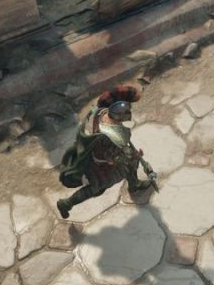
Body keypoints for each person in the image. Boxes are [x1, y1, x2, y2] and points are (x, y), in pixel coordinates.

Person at [56, 85, 157, 219]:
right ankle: (66, 203)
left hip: (94, 153)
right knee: (96, 187)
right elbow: (113, 157)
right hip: (100, 164)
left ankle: (134, 185)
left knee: (130, 164)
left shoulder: (99, 112)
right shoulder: (110, 136)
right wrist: (134, 156)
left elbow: (110, 97)